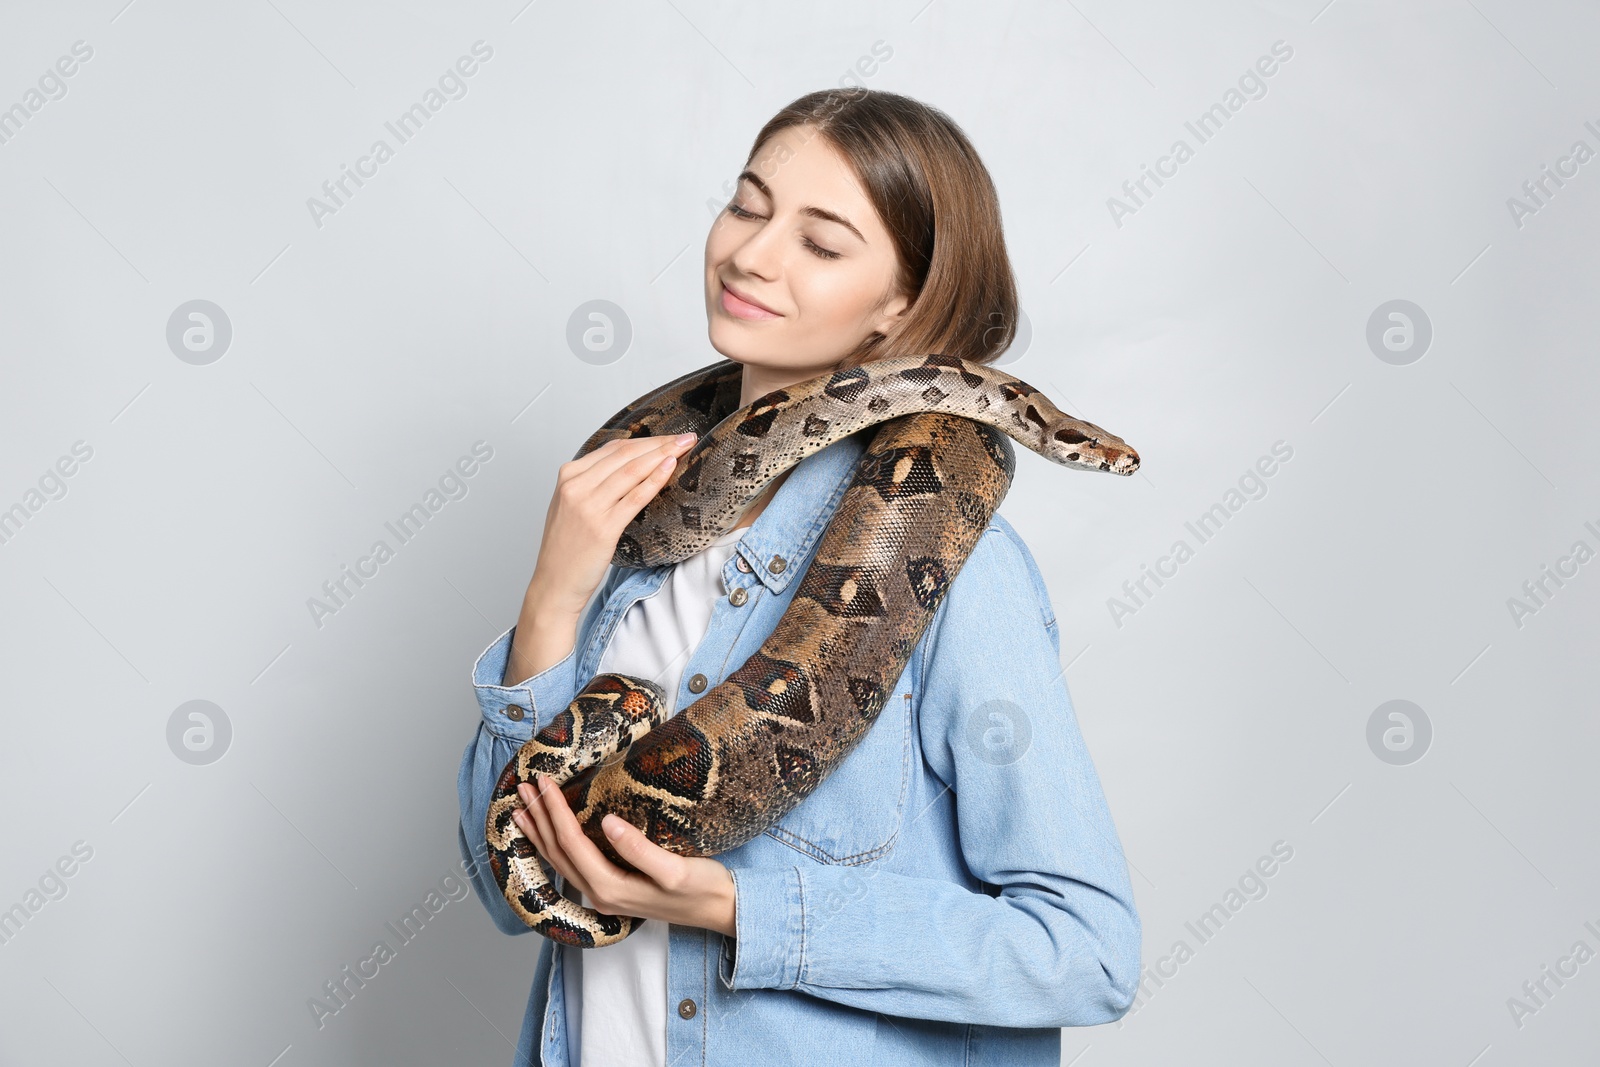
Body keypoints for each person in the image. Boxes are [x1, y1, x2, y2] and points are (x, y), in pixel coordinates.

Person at [457, 87, 1141, 1067]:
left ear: (901, 306)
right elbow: (510, 887)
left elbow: (1084, 953)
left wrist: (739, 910)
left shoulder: (955, 565)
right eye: (746, 204)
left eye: (821, 244)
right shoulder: (623, 545)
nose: (751, 254)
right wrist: (554, 594)